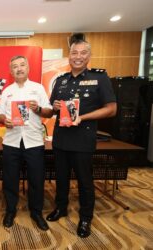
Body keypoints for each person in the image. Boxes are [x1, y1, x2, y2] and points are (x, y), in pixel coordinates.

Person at [48, 39, 117, 238]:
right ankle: (61, 208)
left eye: (83, 53)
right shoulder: (61, 80)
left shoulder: (99, 78)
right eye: (74, 53)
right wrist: (55, 107)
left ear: (89, 56)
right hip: (61, 140)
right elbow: (53, 106)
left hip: (82, 140)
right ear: (69, 56)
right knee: (60, 179)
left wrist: (83, 117)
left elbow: (111, 109)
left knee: (85, 182)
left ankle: (86, 218)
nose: (78, 56)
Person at [0, 55, 53, 230]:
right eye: (15, 66)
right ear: (11, 71)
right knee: (10, 179)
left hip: (34, 141)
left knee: (36, 179)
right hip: (12, 141)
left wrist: (38, 109)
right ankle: (10, 210)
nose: (19, 68)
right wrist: (4, 120)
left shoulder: (38, 88)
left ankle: (36, 212)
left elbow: (49, 112)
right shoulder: (7, 91)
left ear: (28, 68)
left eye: (22, 65)